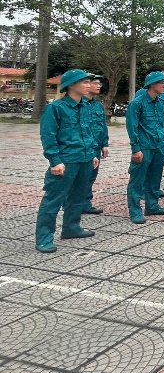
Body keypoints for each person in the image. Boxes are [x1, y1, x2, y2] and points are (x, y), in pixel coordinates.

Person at [35, 69, 98, 253]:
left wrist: (92, 153)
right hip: (66, 161)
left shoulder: (85, 106)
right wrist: (54, 160)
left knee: (78, 197)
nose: (89, 85)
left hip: (84, 159)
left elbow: (87, 132)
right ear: (71, 85)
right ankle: (44, 238)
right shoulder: (56, 108)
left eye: (89, 81)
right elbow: (48, 136)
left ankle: (71, 227)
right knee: (53, 199)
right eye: (85, 82)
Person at [125, 71, 164, 224]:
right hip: (144, 146)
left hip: (159, 146)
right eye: (162, 83)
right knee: (137, 180)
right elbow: (132, 127)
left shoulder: (162, 102)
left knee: (155, 177)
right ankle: (135, 210)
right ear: (152, 84)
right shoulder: (137, 103)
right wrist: (136, 148)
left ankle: (152, 205)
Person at [81, 74, 108, 215]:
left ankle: (86, 203)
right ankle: (75, 204)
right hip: (83, 147)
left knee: (91, 176)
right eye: (95, 83)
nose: (99, 86)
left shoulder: (98, 104)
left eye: (99, 83)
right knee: (81, 177)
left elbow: (102, 126)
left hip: (96, 146)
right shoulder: (80, 104)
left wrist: (105, 143)